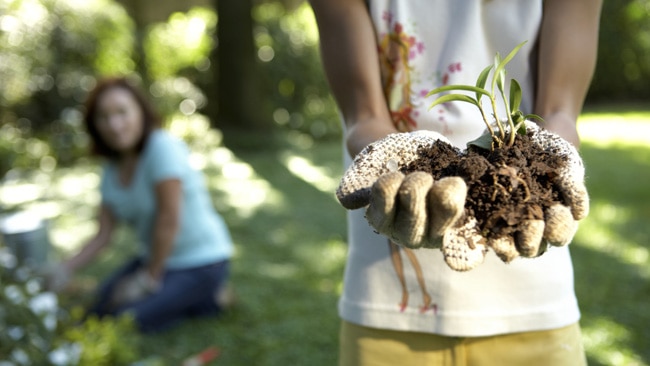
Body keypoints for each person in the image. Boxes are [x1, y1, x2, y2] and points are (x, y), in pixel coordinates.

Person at [310, 0, 602, 365]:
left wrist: (551, 156)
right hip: (387, 305)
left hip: (532, 303)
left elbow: (559, 110)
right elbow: (363, 114)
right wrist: (391, 161)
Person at [52, 77, 234, 333]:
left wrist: (148, 279)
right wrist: (63, 268)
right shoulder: (110, 170)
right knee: (101, 303)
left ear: (141, 112)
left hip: (201, 261)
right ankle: (195, 297)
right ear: (94, 125)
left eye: (122, 112)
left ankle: (209, 297)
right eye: (103, 117)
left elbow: (169, 220)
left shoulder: (162, 148)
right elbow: (103, 234)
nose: (114, 125)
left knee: (128, 319)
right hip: (155, 257)